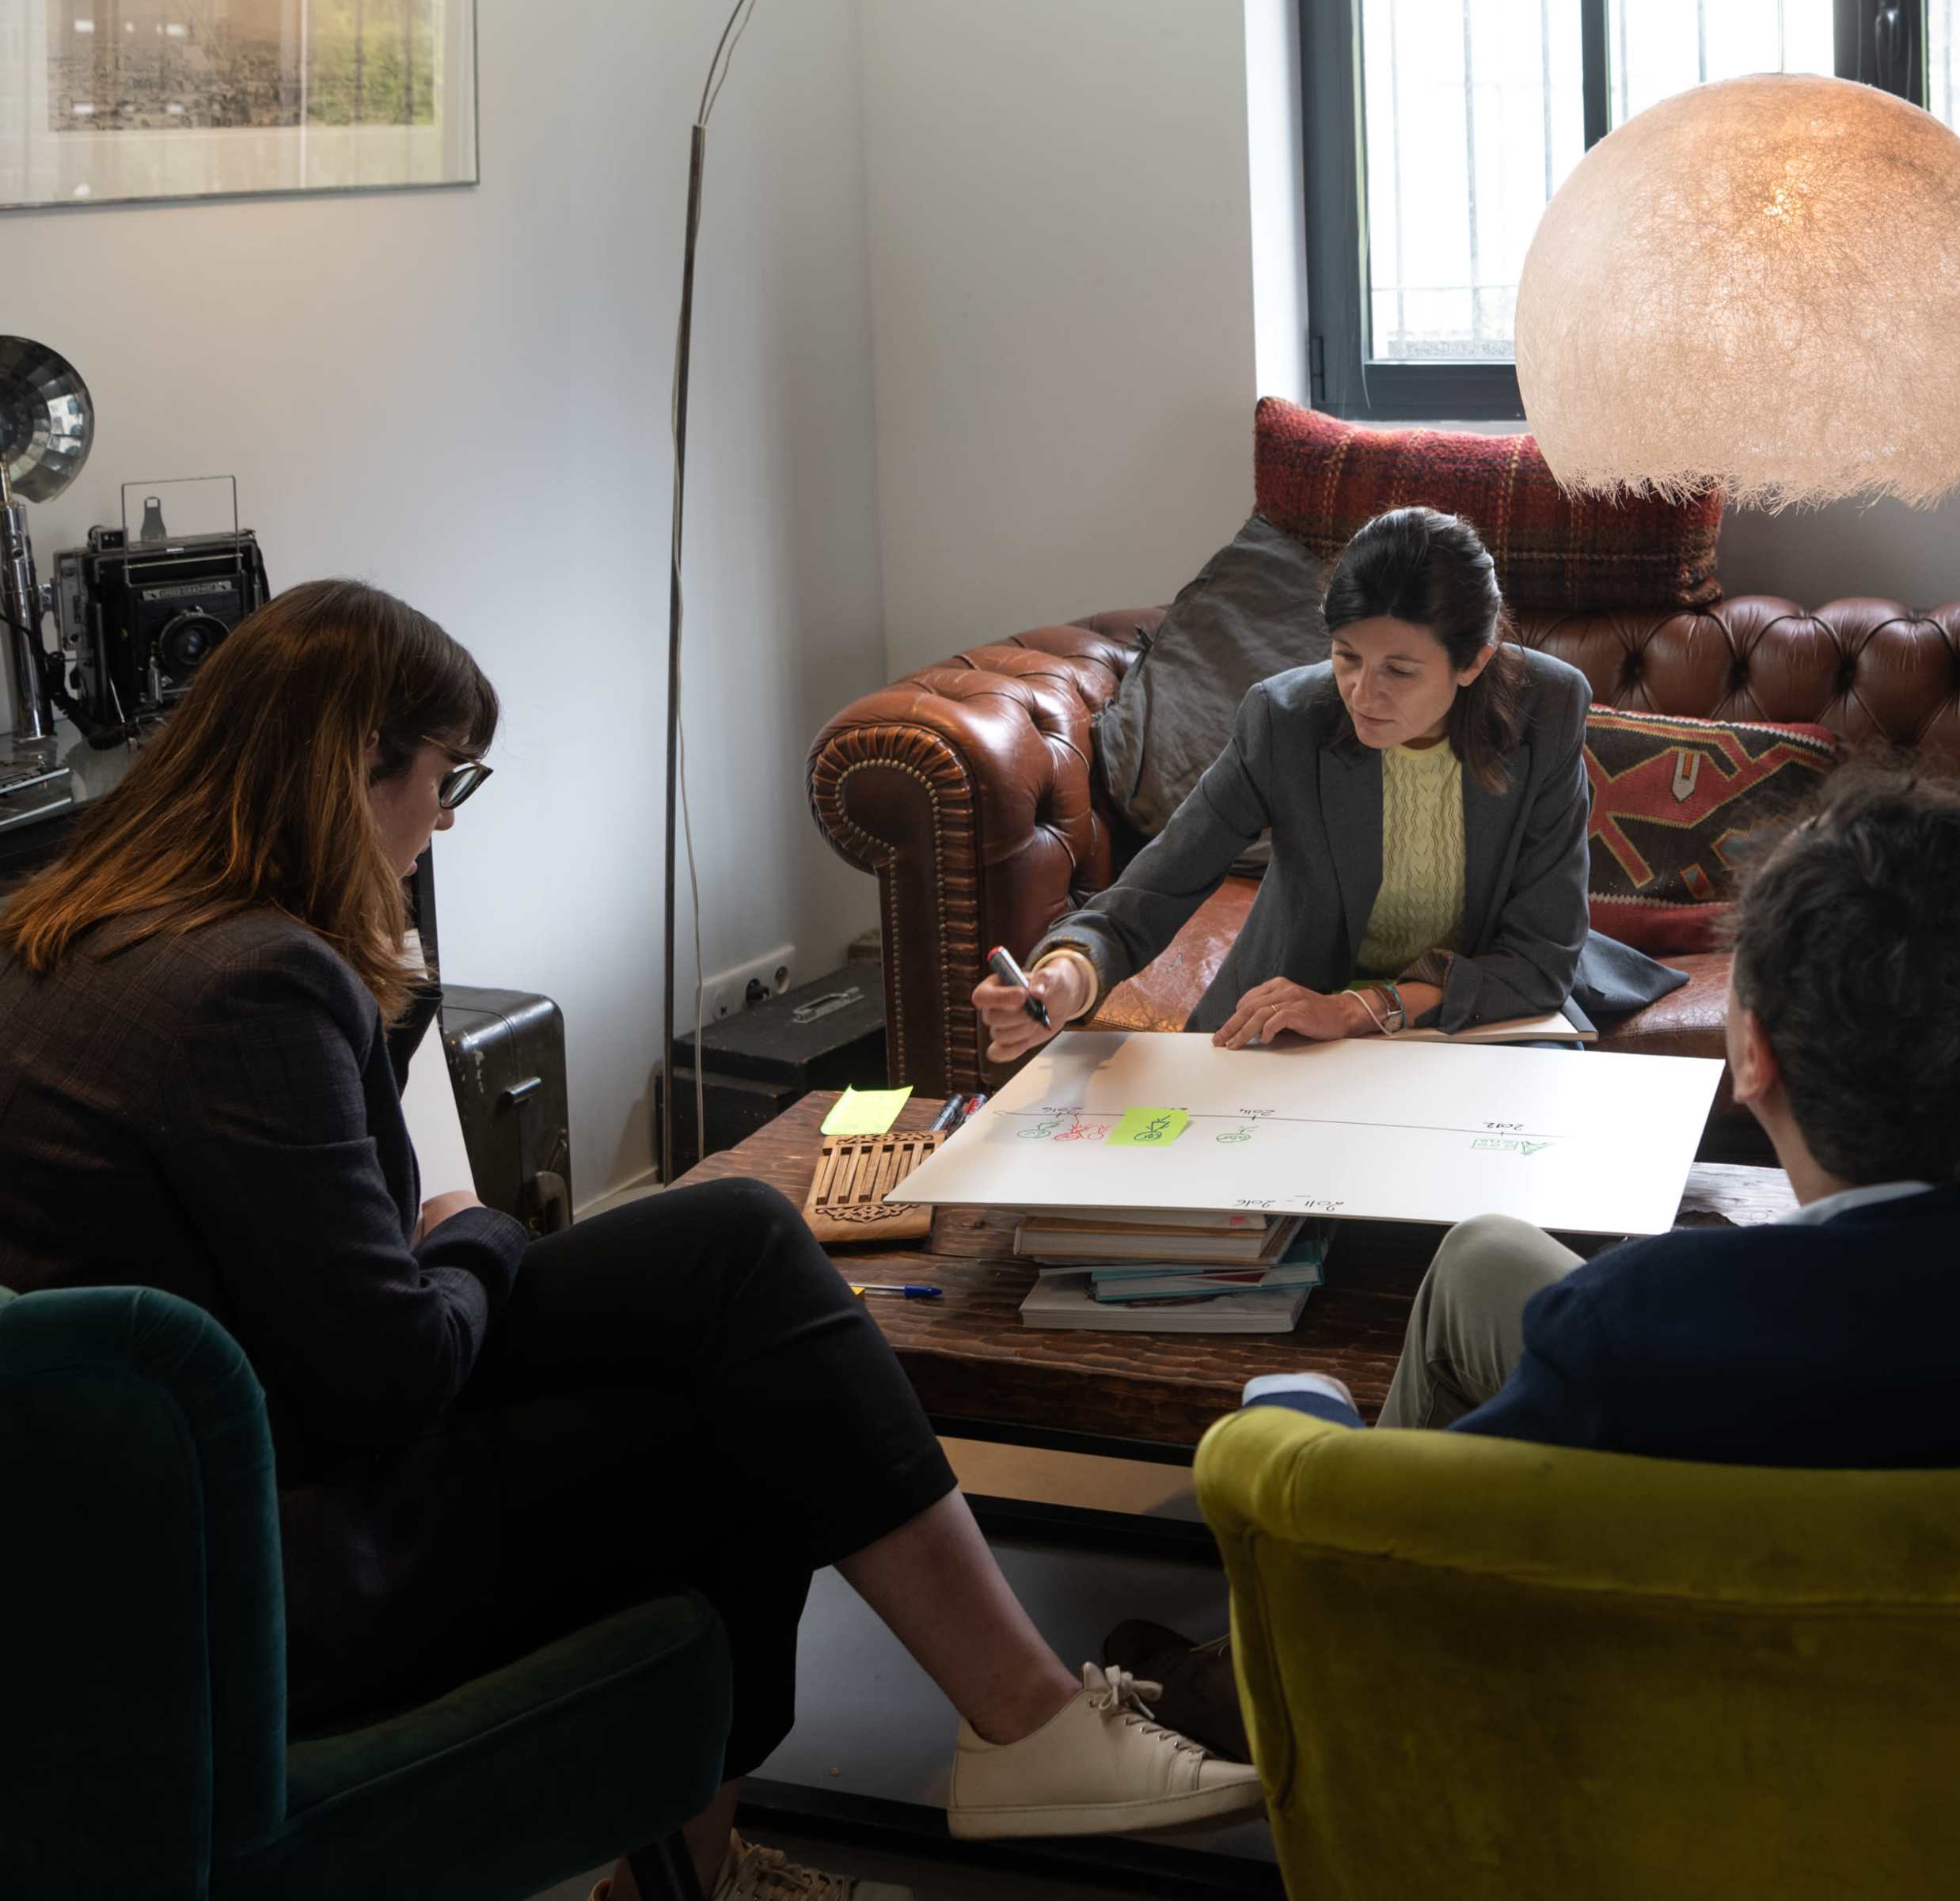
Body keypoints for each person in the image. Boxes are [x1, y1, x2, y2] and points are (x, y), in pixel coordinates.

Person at [0, 582, 1256, 1901]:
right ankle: (922, 1769)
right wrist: (473, 1230)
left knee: (731, 1243)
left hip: (118, 1529)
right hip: (270, 1573)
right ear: (344, 769)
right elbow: (391, 1376)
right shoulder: (258, 982)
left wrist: (441, 1232)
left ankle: (1001, 1734)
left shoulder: (64, 935)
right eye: (444, 779)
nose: (438, 820)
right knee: (735, 1431)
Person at [1106, 763, 1960, 1754]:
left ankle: (1277, 1701)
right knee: (1488, 1257)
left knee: (1335, 1468)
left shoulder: (1638, 1327)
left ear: (1750, 1056)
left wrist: (1299, 1424)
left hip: (1703, 1760)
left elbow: (1382, 1526)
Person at [974, 506, 1681, 1063]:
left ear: (1473, 662)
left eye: (1399, 671)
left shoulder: (1548, 709)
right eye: (1346, 657)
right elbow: (1156, 887)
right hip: (1301, 1010)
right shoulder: (1285, 719)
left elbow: (1539, 957)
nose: (1362, 693)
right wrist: (1066, 977)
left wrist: (1360, 1009)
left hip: (1479, 1011)